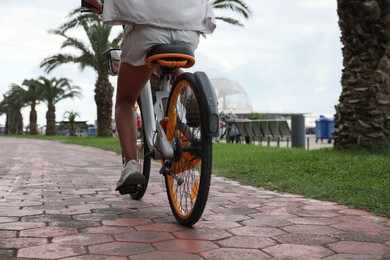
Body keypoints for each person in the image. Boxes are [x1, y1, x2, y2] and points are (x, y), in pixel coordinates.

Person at [83, 0, 216, 194]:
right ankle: (188, 93)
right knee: (165, 60)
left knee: (125, 101)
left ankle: (130, 165)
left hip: (146, 27)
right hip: (189, 29)